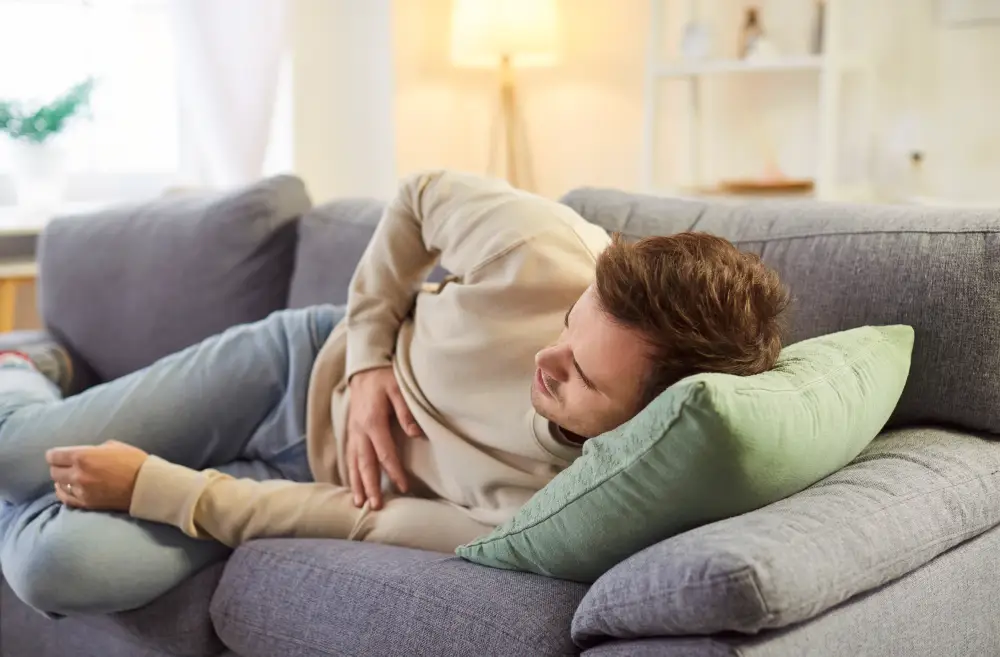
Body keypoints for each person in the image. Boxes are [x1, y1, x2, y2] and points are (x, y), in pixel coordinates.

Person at [0, 171, 789, 615]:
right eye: (567, 323)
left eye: (580, 376)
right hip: (295, 366)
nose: (546, 358)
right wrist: (371, 359)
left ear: (647, 421)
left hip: (305, 479)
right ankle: (25, 367)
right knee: (11, 456)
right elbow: (419, 196)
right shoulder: (547, 250)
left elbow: (362, 517)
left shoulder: (559, 508)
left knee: (56, 568)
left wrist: (157, 486)